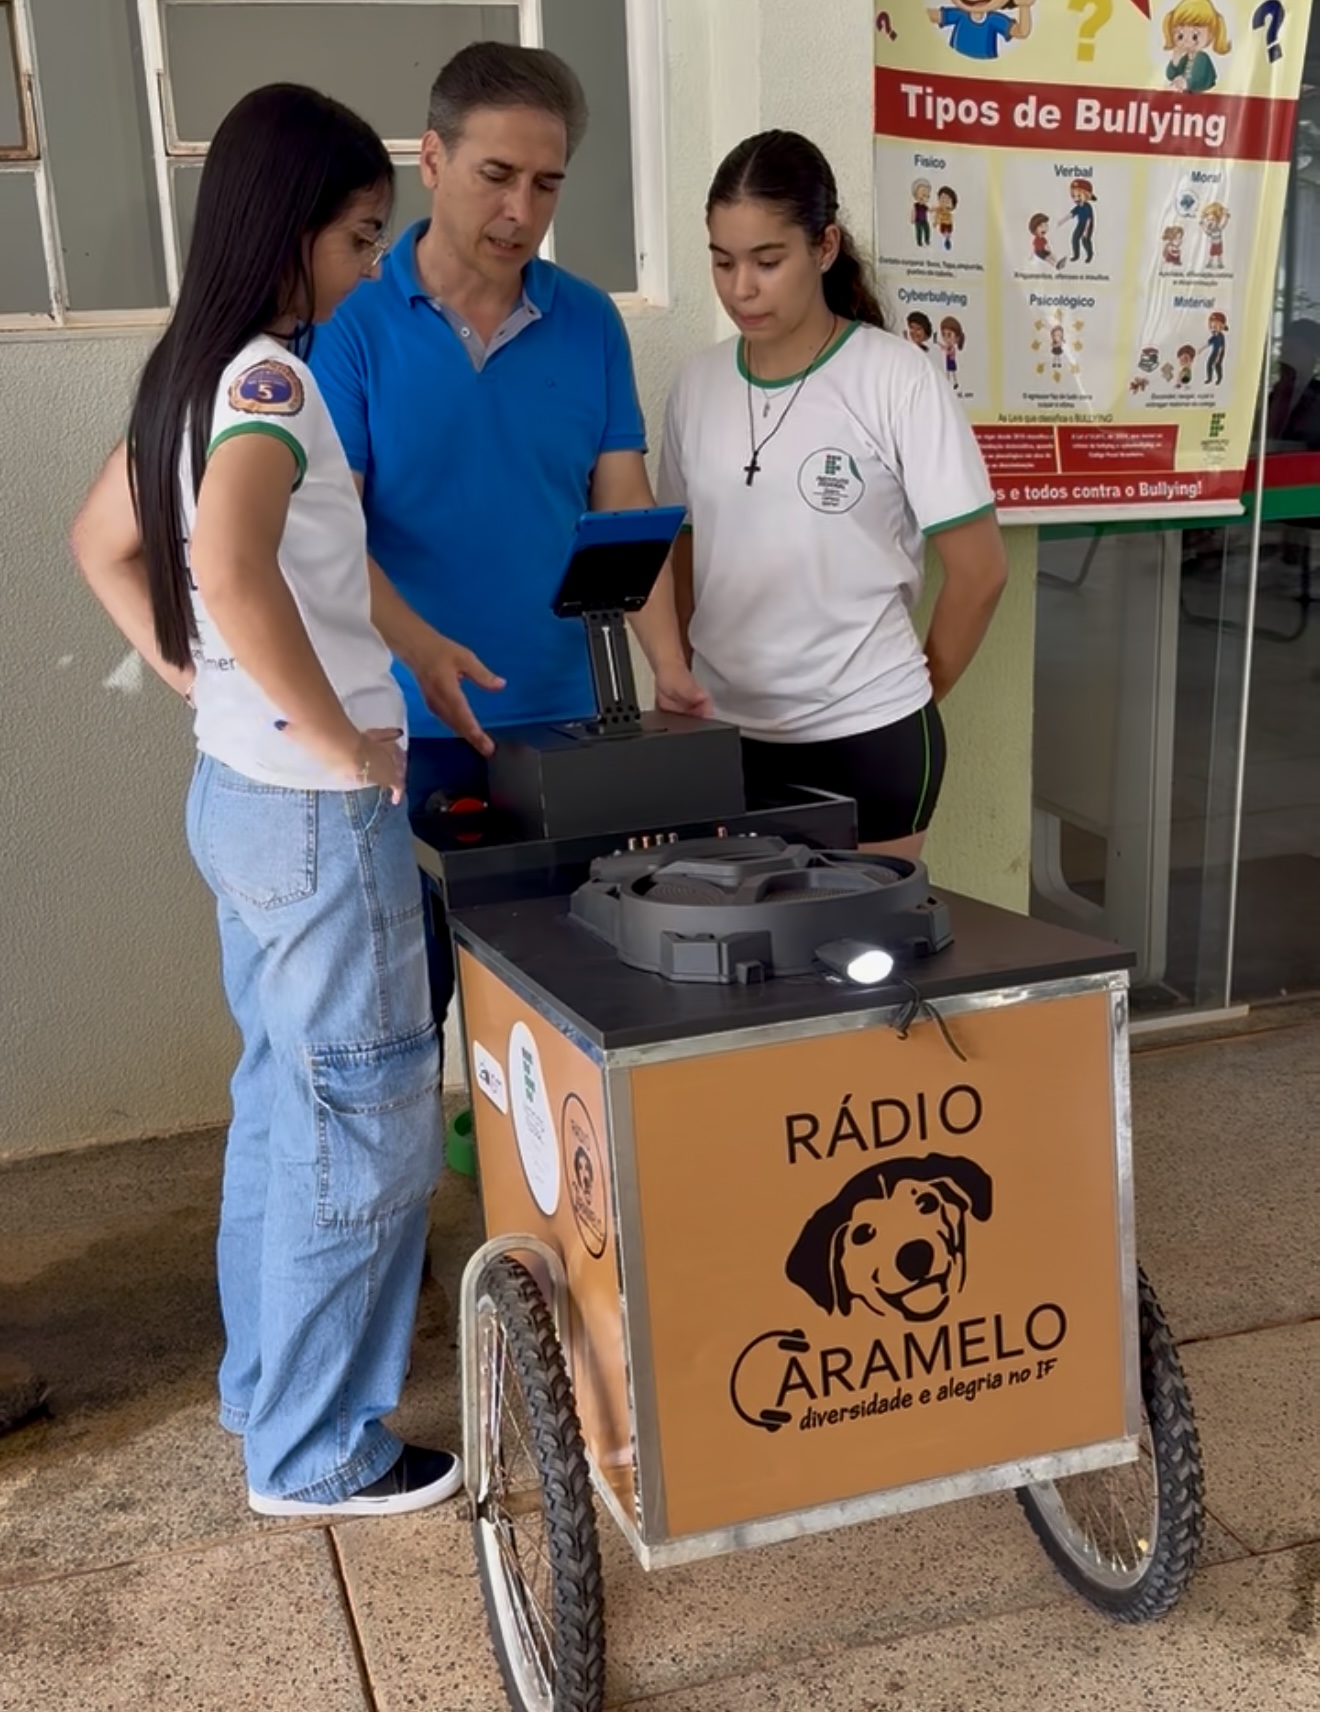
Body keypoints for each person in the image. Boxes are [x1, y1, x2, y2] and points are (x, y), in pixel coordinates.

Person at [70, 85, 460, 1519]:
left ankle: (263, 1393)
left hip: (238, 795)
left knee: (283, 1103)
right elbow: (232, 566)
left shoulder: (190, 376)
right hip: (308, 811)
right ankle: (315, 1449)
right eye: (360, 236)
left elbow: (104, 542)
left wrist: (207, 678)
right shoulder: (272, 384)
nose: (372, 264)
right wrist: (343, 738)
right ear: (291, 230)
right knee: (363, 1117)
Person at [309, 42, 705, 1043]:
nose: (521, 211)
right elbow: (330, 538)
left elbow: (624, 509)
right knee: (408, 1009)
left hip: (567, 732)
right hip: (407, 732)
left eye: (546, 184)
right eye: (496, 175)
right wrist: (419, 655)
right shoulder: (353, 323)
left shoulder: (589, 322)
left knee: (570, 1003)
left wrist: (670, 668)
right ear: (432, 159)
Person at [659, 130, 1007, 860]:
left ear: (824, 247)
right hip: (726, 737)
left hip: (869, 739)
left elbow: (980, 572)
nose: (741, 288)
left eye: (767, 261)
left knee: (865, 935)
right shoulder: (697, 385)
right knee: (726, 930)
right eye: (723, 261)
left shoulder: (896, 379)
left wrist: (905, 693)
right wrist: (688, 679)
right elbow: (683, 550)